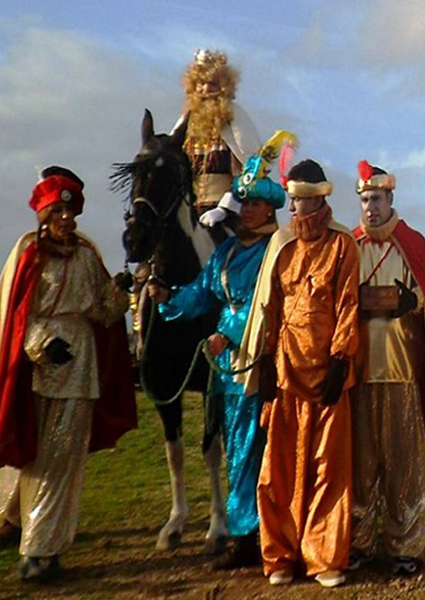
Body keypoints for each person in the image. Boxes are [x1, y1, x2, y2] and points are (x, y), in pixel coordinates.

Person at [147, 141, 290, 569]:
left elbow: (267, 303)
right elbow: (204, 292)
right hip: (229, 370)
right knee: (236, 450)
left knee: (256, 449)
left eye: (253, 204)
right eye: (241, 202)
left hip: (263, 361)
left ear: (269, 209)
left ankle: (255, 537)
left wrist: (227, 333)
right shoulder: (227, 252)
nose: (244, 210)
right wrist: (169, 299)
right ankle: (246, 531)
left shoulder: (276, 249)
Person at [0, 168, 136, 581]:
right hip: (44, 369)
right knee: (43, 459)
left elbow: (103, 311)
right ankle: (34, 551)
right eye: (57, 211)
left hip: (83, 367)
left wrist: (121, 290)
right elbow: (19, 314)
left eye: (70, 211)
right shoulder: (29, 253)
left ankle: (50, 548)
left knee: (68, 461)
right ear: (44, 213)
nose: (65, 218)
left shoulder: (86, 253)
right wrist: (40, 346)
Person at [239, 159, 360, 588]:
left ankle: (325, 556)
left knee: (329, 469)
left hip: (326, 375)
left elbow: (347, 303)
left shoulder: (343, 245)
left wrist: (341, 358)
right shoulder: (282, 248)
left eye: (299, 202)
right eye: (290, 202)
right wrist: (268, 361)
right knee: (279, 468)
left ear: (318, 202)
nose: (292, 209)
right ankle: (280, 557)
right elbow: (271, 308)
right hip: (286, 373)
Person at [348, 161, 425, 575]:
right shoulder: (350, 247)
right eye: (364, 200)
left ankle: (406, 546)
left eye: (376, 199)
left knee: (404, 465)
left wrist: (410, 303)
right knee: (359, 465)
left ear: (390, 199)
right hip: (360, 376)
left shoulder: (411, 243)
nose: (370, 208)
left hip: (401, 373)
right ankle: (358, 541)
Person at [173, 49, 262, 231]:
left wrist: (225, 208)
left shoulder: (235, 117)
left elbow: (251, 169)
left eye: (211, 84)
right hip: (188, 213)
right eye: (200, 83)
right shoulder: (185, 120)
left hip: (227, 215)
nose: (205, 90)